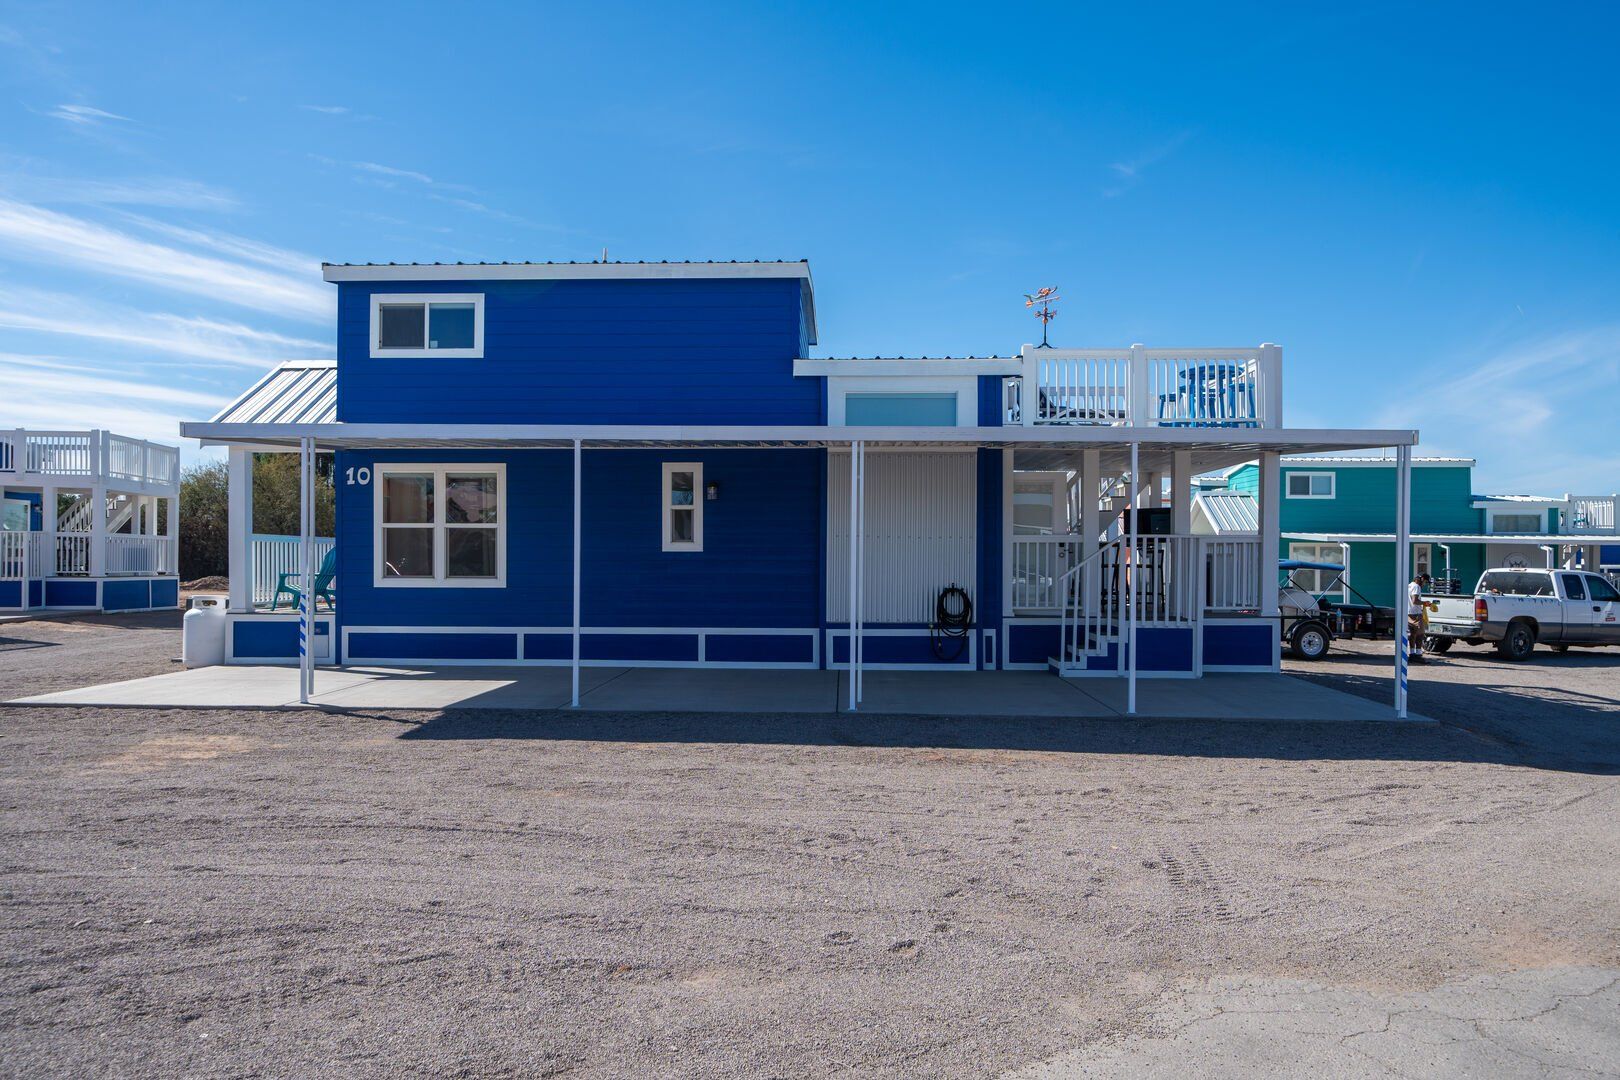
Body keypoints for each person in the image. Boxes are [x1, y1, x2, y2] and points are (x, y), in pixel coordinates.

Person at [1407, 572, 1433, 661]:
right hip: (1416, 613)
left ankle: (1412, 653)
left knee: (1412, 635)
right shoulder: (1416, 587)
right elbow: (1415, 601)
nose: (1425, 584)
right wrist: (1425, 603)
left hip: (1409, 612)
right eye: (1425, 582)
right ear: (1421, 579)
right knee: (1420, 635)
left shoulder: (1409, 585)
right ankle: (1418, 655)